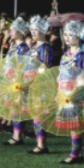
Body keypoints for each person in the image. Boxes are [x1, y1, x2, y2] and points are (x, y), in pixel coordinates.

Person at [57, 20, 84, 164]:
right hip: (64, 92)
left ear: (78, 36)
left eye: (70, 35)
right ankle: (79, 153)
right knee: (71, 123)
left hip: (75, 93)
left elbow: (83, 76)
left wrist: (74, 92)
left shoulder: (82, 55)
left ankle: (75, 154)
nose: (67, 37)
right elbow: (60, 74)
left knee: (75, 124)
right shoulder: (66, 54)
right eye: (65, 34)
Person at [26, 15, 54, 155]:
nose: (33, 32)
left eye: (36, 30)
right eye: (31, 29)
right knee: (35, 114)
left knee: (39, 114)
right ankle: (39, 143)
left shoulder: (45, 47)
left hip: (40, 84)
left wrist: (35, 77)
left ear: (43, 31)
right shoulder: (33, 46)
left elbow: (46, 66)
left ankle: (42, 145)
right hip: (31, 83)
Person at [2, 17, 32, 146]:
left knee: (18, 108)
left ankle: (18, 136)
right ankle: (16, 134)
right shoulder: (14, 45)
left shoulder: (23, 47)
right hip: (11, 80)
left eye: (13, 29)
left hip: (18, 81)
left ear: (20, 32)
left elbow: (22, 66)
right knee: (14, 107)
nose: (10, 31)